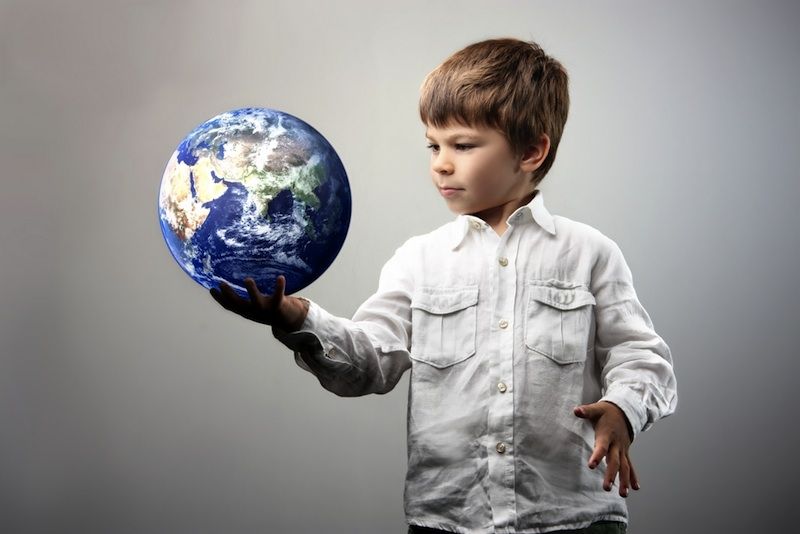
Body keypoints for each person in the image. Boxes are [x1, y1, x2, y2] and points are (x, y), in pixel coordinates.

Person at [210, 37, 677, 534]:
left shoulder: (589, 253)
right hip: (450, 520)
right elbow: (369, 364)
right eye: (434, 145)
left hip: (572, 518)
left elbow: (642, 357)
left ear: (532, 150)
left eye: (463, 145)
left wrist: (622, 409)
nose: (441, 163)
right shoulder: (419, 260)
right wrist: (295, 317)